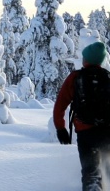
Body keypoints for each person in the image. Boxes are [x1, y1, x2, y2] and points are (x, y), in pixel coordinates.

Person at [54, 41, 110, 190]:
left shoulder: (75, 78)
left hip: (86, 133)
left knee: (91, 174)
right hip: (107, 132)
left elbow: (60, 104)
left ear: (87, 60)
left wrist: (60, 128)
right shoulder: (108, 78)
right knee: (108, 169)